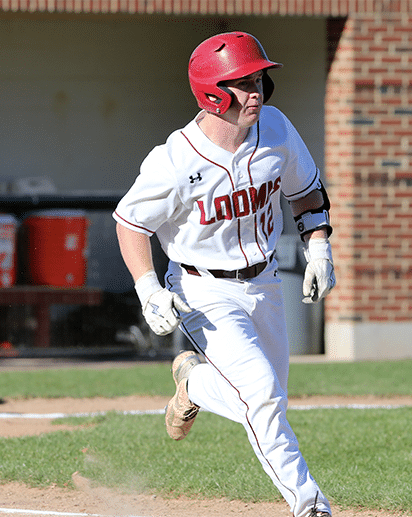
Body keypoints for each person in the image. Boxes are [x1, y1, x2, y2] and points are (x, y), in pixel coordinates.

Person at [113, 31, 334, 517]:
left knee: (268, 399)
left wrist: (320, 249)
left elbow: (307, 192)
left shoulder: (275, 129)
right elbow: (130, 223)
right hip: (201, 289)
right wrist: (149, 289)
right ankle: (309, 504)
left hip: (266, 283)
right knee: (261, 394)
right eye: (242, 82)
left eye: (258, 79)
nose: (256, 90)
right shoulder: (174, 160)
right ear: (212, 92)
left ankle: (192, 385)